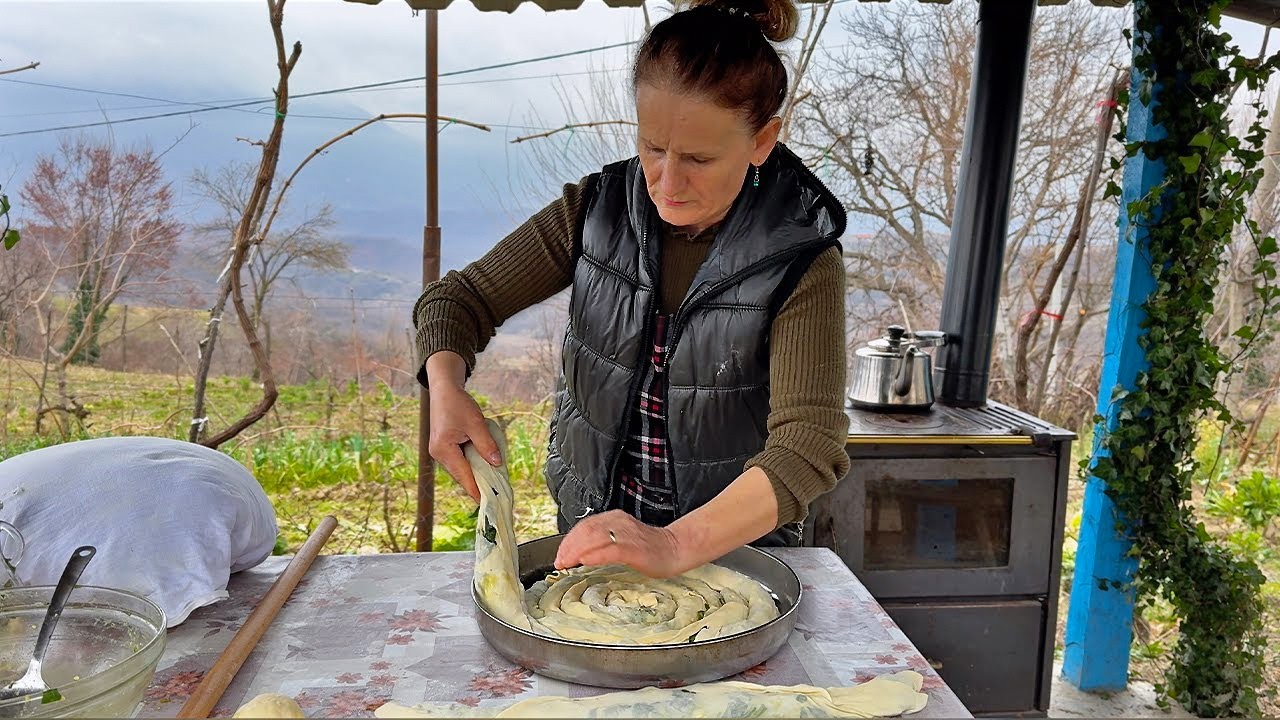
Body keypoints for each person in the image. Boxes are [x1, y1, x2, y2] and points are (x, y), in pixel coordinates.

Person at [415, 0, 850, 579]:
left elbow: (808, 449)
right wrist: (445, 388)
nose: (667, 182)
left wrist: (673, 545)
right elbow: (457, 301)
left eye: (698, 158)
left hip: (737, 563)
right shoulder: (597, 210)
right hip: (591, 539)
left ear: (762, 141)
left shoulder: (800, 258)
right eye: (653, 147)